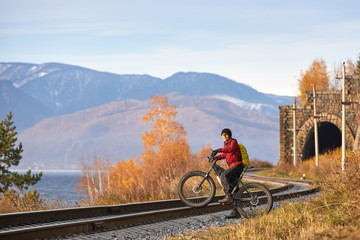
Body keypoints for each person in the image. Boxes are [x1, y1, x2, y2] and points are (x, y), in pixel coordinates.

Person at [213, 128, 244, 218]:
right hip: (232, 166)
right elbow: (225, 154)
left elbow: (230, 149)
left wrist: (218, 149)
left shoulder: (233, 142)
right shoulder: (226, 144)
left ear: (229, 135)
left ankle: (228, 195)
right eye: (223, 135)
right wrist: (216, 158)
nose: (225, 137)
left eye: (226, 135)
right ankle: (236, 212)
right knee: (235, 189)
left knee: (223, 176)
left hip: (237, 165)